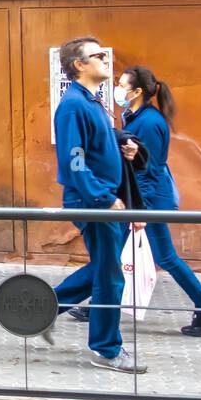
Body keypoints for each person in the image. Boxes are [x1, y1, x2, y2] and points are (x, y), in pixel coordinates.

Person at [44, 37, 146, 373]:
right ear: (79, 65)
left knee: (105, 269)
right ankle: (105, 349)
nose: (105, 59)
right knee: (110, 277)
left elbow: (102, 137)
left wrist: (125, 142)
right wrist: (103, 198)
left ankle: (42, 308)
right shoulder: (73, 104)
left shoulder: (92, 102)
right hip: (94, 203)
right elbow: (74, 159)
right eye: (98, 55)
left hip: (104, 201)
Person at [115, 66, 201, 337]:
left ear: (137, 91)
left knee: (163, 256)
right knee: (115, 249)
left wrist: (139, 209)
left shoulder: (149, 123)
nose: (118, 89)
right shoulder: (136, 116)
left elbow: (148, 170)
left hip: (147, 199)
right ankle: (97, 305)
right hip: (142, 198)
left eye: (122, 84)